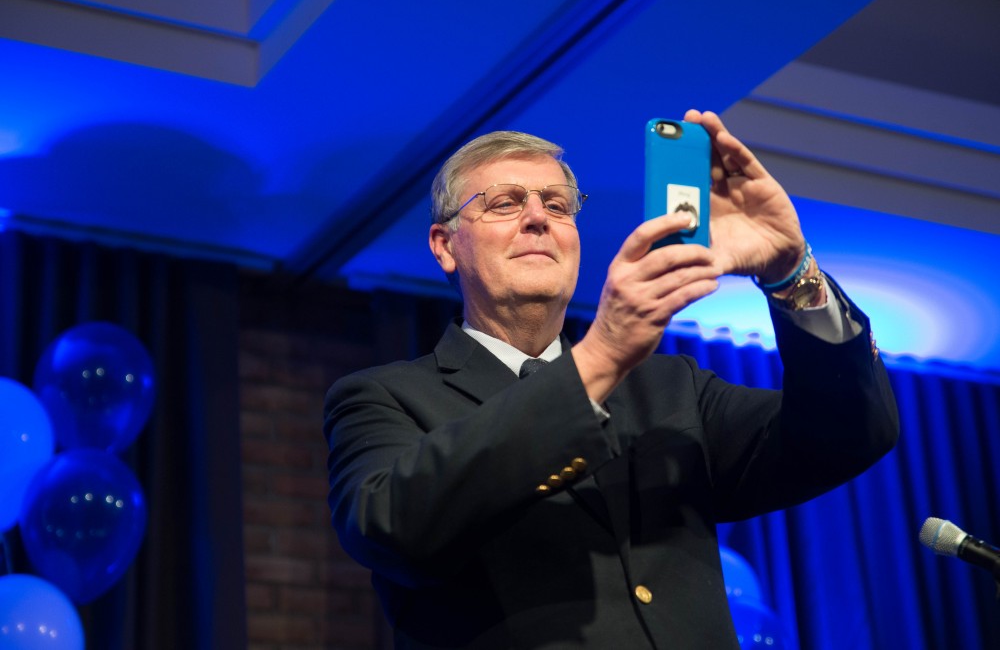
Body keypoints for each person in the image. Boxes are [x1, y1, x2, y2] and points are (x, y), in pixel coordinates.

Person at [323, 110, 899, 649]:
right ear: (445, 246)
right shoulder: (384, 398)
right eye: (504, 203)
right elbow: (392, 529)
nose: (537, 217)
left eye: (557, 203)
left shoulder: (673, 389)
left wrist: (792, 274)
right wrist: (599, 356)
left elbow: (848, 434)